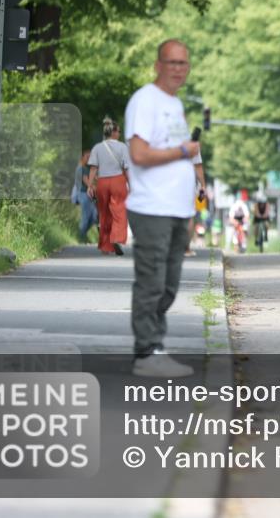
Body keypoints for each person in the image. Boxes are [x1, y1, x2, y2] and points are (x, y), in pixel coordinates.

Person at [124, 38, 200, 378]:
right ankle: (147, 350)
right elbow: (139, 154)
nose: (178, 69)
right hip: (151, 206)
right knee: (152, 281)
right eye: (171, 63)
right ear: (158, 65)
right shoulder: (145, 100)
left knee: (169, 283)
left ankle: (156, 345)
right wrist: (183, 153)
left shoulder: (175, 104)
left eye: (183, 63)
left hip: (176, 209)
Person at [87, 117, 130, 256]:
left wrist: (89, 186)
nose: (120, 133)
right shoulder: (122, 147)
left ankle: (106, 246)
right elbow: (127, 168)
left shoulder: (97, 148)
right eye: (119, 131)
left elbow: (93, 168)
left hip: (102, 182)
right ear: (114, 132)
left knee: (104, 214)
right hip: (118, 181)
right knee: (119, 210)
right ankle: (116, 237)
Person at [74, 148, 98, 243]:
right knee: (86, 217)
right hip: (83, 195)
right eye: (87, 157)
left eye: (90, 157)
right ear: (83, 157)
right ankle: (80, 237)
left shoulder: (86, 168)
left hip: (87, 195)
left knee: (93, 217)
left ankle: (82, 235)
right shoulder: (81, 168)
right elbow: (87, 182)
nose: (89, 159)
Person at [184, 159, 206, 257]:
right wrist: (203, 186)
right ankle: (186, 248)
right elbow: (198, 166)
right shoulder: (192, 143)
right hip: (187, 183)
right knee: (189, 215)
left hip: (164, 183)